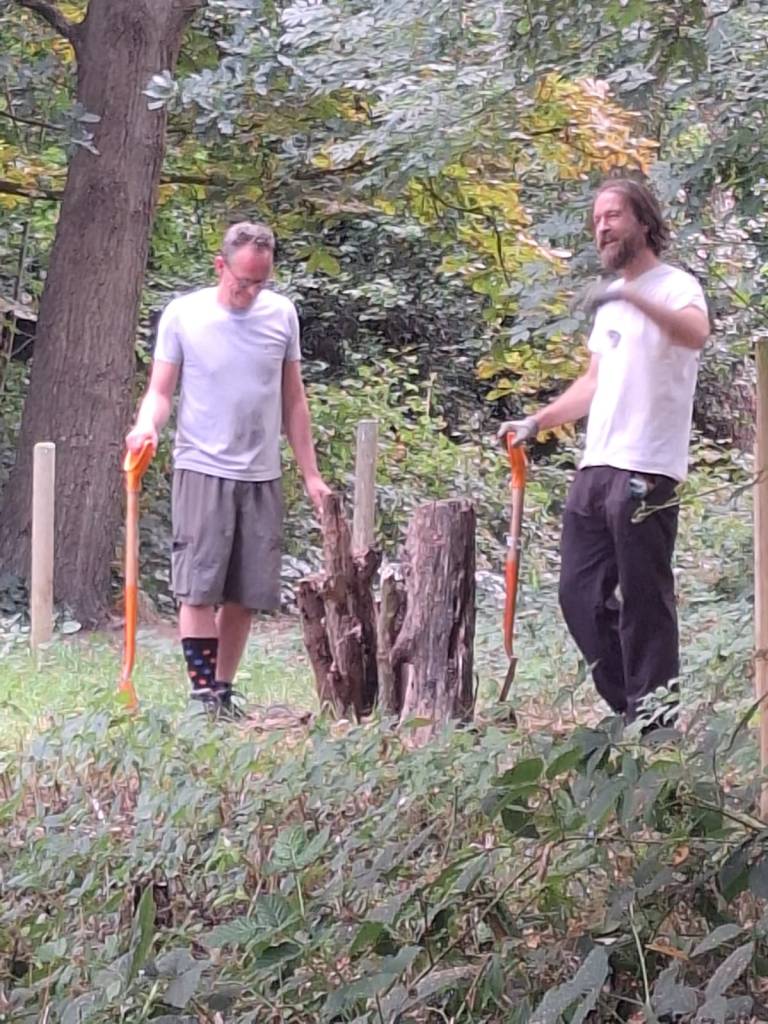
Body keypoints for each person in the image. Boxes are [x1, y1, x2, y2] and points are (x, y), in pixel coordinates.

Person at [498, 179, 710, 727]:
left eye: (613, 215)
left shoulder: (675, 286)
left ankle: (655, 730)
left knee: (644, 600)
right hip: (595, 468)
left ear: (644, 221)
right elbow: (593, 382)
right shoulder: (612, 302)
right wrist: (536, 422)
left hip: (648, 468)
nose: (603, 227)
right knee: (579, 598)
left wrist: (634, 298)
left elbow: (695, 334)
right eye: (597, 219)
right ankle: (635, 709)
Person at [126, 221, 330, 716]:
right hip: (202, 468)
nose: (251, 292)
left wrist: (311, 474)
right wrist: (146, 426)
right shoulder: (184, 315)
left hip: (262, 473)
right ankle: (201, 696)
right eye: (243, 281)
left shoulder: (282, 315)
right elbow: (160, 391)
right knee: (198, 589)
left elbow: (294, 400)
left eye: (261, 282)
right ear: (221, 266)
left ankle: (222, 691)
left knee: (245, 593)